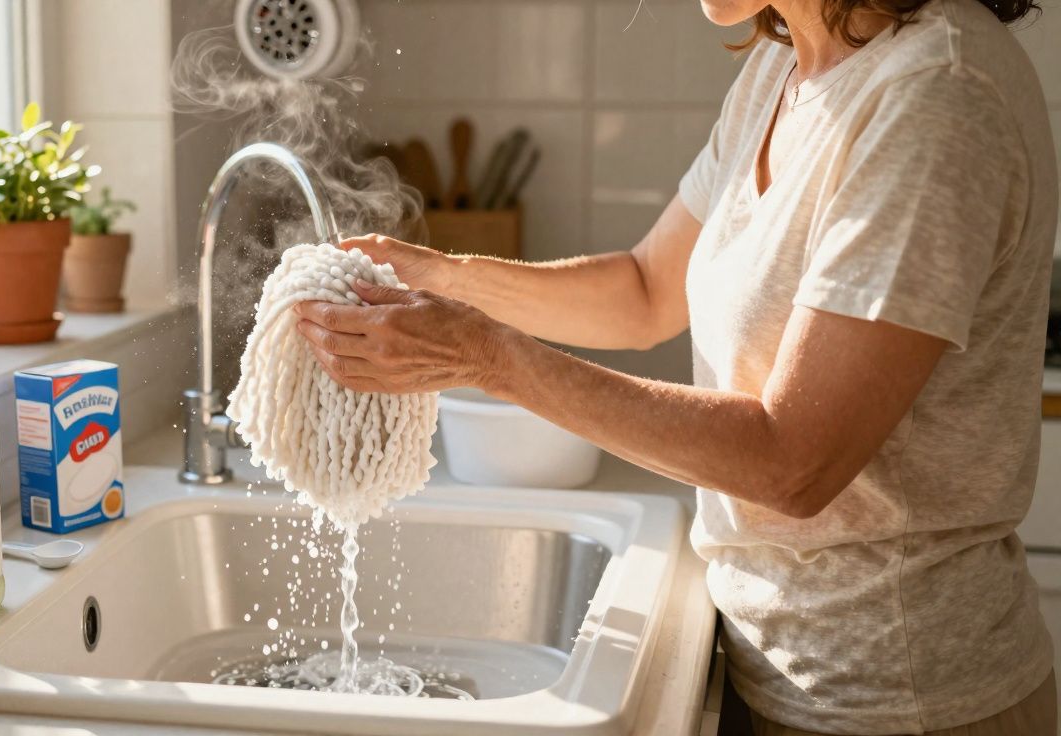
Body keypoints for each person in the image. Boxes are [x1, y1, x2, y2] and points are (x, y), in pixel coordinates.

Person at [292, 0, 1059, 732]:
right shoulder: (783, 69)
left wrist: (486, 357)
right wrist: (441, 277)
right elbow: (646, 290)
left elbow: (796, 461)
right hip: (773, 666)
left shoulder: (936, 92)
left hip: (903, 701)